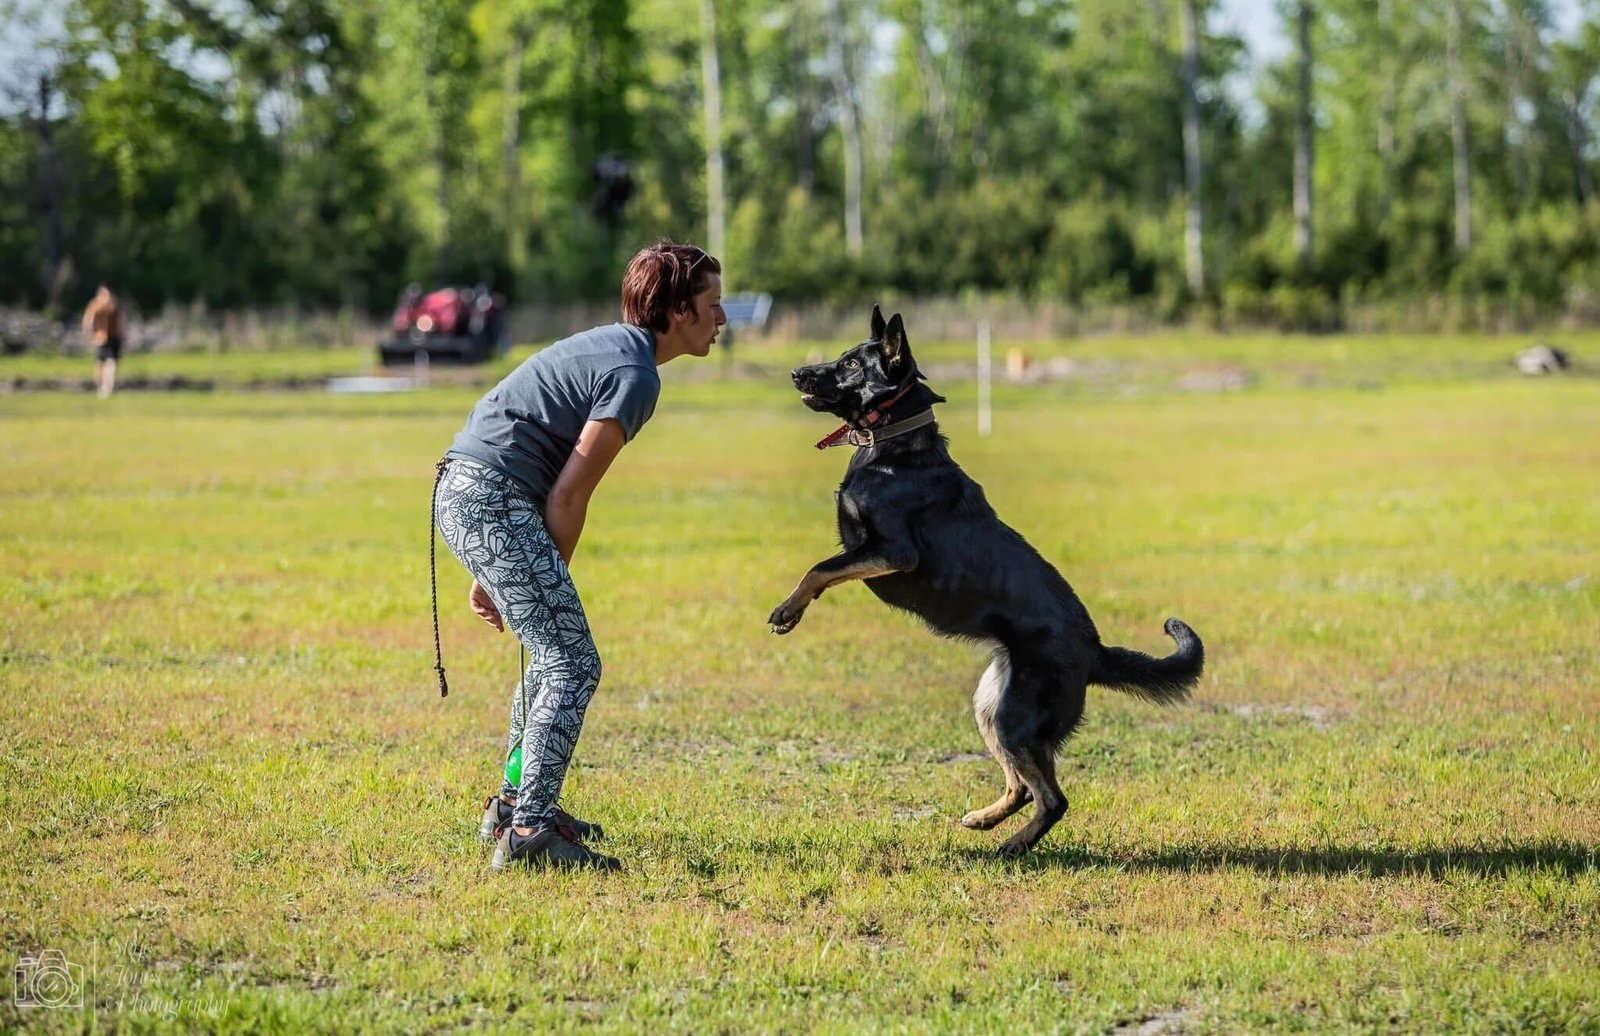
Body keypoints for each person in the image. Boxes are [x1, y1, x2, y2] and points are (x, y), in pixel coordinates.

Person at [431, 240, 725, 871]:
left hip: (466, 492)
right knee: (572, 659)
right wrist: (534, 568)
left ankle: (513, 805)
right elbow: (569, 494)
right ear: (677, 311)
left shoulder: (618, 348)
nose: (722, 319)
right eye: (712, 305)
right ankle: (530, 831)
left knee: (550, 650)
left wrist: (515, 571)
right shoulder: (636, 374)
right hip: (491, 498)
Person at [81, 283, 126, 399]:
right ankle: (101, 386)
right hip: (100, 338)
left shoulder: (114, 306)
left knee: (111, 363)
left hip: (113, 337)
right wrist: (90, 334)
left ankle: (109, 386)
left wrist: (122, 334)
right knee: (100, 363)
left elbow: (121, 322)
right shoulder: (96, 306)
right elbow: (88, 321)